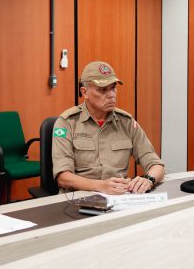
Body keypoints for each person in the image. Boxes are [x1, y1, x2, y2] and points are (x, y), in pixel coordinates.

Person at [52, 60, 164, 195]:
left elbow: (156, 164)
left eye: (113, 88)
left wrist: (148, 179)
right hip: (77, 199)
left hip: (118, 198)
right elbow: (63, 178)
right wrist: (100, 186)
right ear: (85, 92)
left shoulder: (126, 122)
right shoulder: (67, 123)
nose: (111, 95)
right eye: (102, 90)